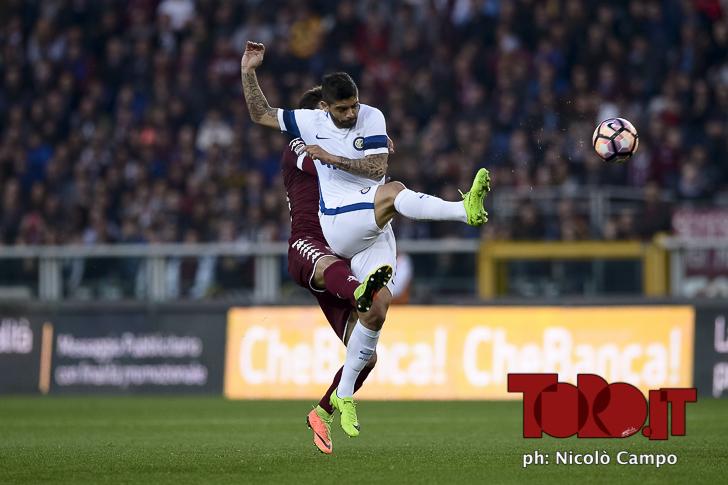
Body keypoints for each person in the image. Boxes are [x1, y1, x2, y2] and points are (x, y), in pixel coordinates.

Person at [241, 41, 490, 440]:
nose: (350, 115)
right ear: (321, 110)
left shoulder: (367, 119)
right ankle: (463, 211)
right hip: (315, 238)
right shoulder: (299, 142)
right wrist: (248, 70)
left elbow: (370, 163)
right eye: (338, 109)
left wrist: (365, 148)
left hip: (359, 231)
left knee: (375, 319)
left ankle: (329, 407)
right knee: (388, 197)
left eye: (353, 107)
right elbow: (276, 127)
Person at [282, 86, 392, 454]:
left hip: (337, 251)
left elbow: (363, 174)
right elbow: (327, 161)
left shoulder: (334, 144)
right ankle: (359, 290)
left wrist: (374, 149)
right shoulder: (298, 145)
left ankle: (322, 413)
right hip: (307, 245)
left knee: (366, 356)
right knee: (332, 267)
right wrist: (368, 149)